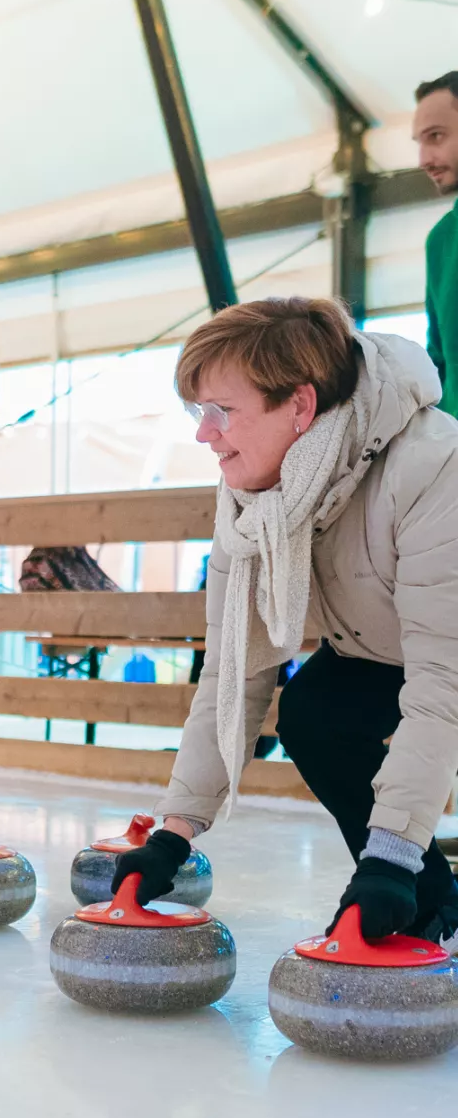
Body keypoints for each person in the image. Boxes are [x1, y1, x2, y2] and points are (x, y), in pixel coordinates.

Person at [111, 297, 458, 945]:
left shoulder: (434, 467)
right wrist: (173, 834)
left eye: (221, 411)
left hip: (446, 650)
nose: (204, 434)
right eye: (197, 412)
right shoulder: (253, 500)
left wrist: (390, 858)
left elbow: (444, 681)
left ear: (299, 406)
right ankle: (433, 897)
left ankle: (402, 873)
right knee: (314, 714)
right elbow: (231, 674)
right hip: (382, 645)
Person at [414, 70, 458, 419]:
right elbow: (438, 361)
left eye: (436, 136)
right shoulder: (441, 239)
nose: (423, 159)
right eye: (420, 142)